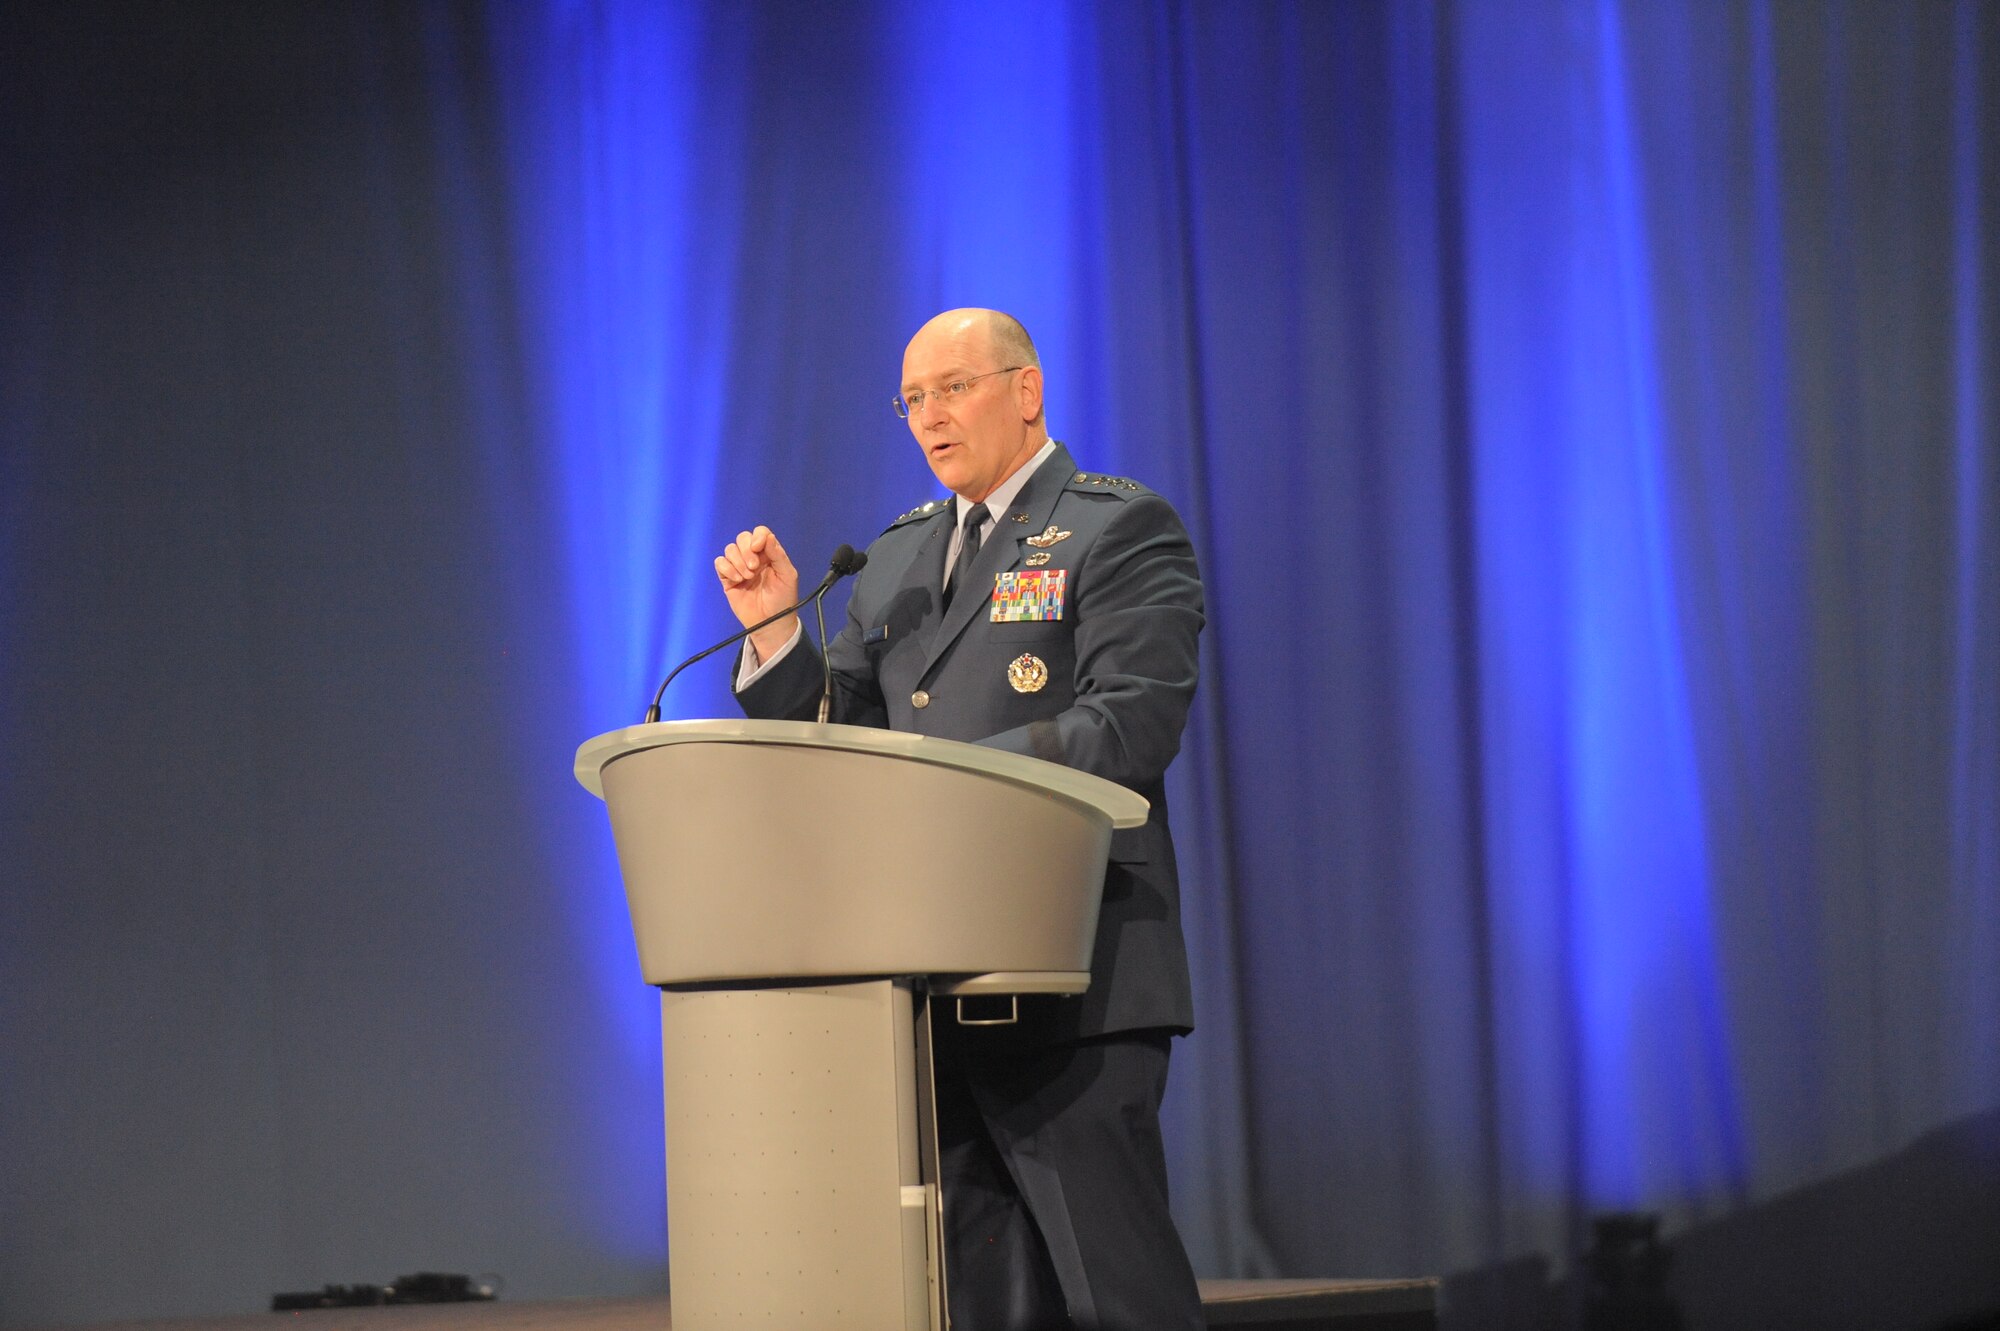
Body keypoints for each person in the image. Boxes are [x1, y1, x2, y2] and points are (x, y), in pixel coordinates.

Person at [713, 308, 1205, 1331]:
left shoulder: (1116, 526)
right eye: (910, 399)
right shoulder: (894, 557)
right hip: (930, 982)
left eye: (953, 388)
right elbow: (844, 731)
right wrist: (773, 635)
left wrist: (949, 785)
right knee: (984, 1303)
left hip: (1073, 971)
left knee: (1117, 1295)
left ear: (1025, 390)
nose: (928, 417)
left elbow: (1129, 724)